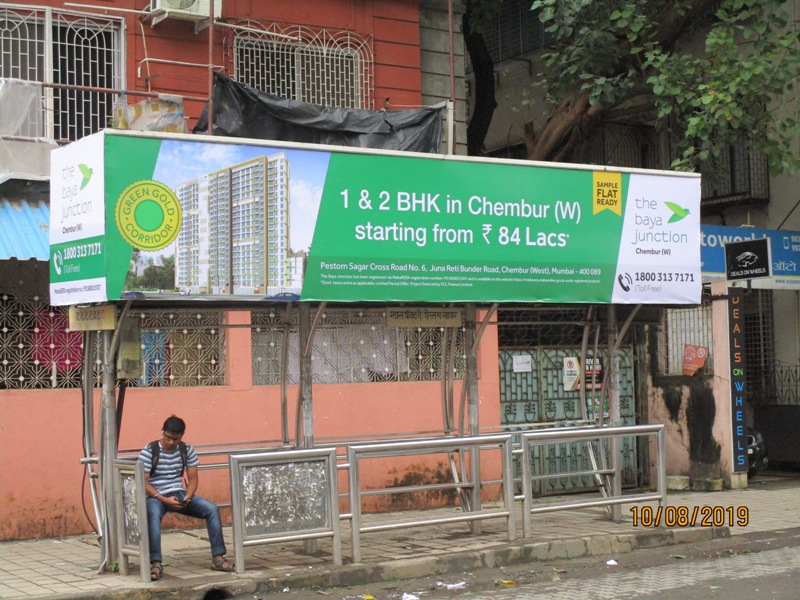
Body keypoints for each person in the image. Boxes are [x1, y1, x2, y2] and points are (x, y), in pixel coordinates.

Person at [138, 415, 234, 581]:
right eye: (168, 437)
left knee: (211, 509)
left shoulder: (186, 449)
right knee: (153, 515)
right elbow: (143, 482)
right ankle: (155, 563)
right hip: (155, 495)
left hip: (179, 493)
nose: (171, 442)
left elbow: (193, 479)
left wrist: (188, 497)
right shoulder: (150, 451)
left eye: (175, 439)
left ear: (182, 436)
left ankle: (218, 558)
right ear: (162, 432)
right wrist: (163, 499)